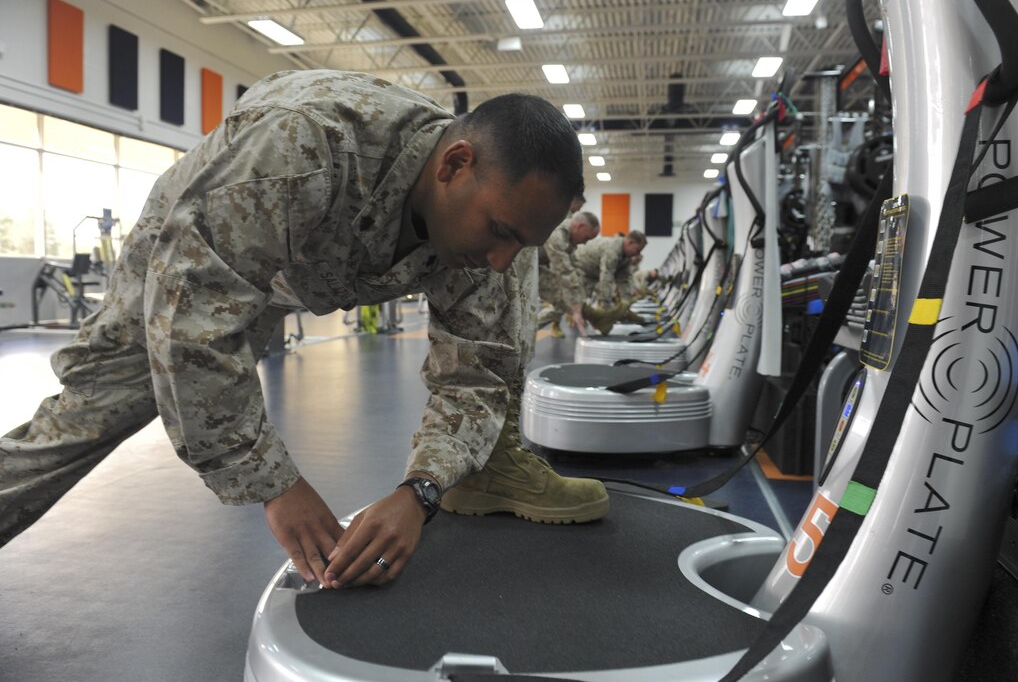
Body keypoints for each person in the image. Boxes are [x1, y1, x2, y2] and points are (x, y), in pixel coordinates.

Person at [0, 70, 609, 591]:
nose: (503, 259)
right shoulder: (302, 147)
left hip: (305, 254)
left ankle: (484, 471)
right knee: (91, 413)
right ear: (454, 165)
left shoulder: (501, 224)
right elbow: (189, 322)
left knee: (506, 344)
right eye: (500, 233)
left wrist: (419, 492)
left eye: (522, 244)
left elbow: (480, 373)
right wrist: (273, 482)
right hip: (207, 244)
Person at [537, 210, 600, 337]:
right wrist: (576, 309)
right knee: (563, 294)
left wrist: (580, 302)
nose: (585, 242)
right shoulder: (557, 233)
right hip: (516, 265)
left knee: (568, 295)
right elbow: (564, 272)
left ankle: (526, 330)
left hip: (534, 265)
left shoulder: (570, 238)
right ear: (580, 226)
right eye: (587, 237)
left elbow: (575, 269)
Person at [574, 231, 647, 334]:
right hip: (579, 268)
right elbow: (606, 278)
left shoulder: (625, 256)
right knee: (570, 300)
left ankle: (587, 318)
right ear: (630, 242)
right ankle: (548, 320)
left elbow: (624, 278)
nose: (638, 254)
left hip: (592, 273)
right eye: (637, 249)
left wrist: (626, 301)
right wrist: (605, 307)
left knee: (580, 301)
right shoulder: (612, 250)